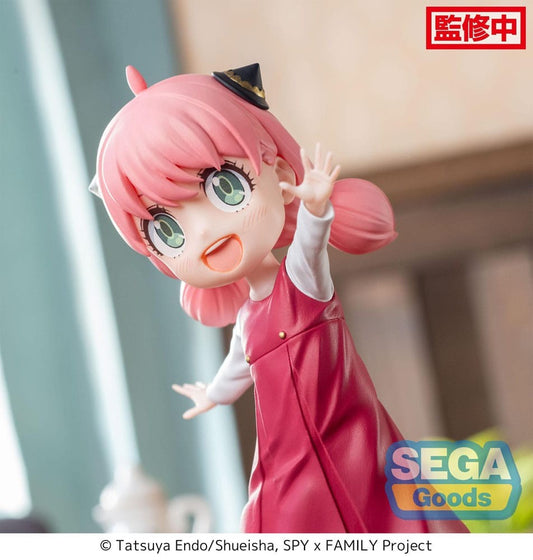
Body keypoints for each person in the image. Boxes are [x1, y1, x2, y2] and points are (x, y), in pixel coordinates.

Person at [92, 63, 467, 533]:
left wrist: (316, 207)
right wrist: (212, 393)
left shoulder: (302, 285)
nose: (203, 231)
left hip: (345, 436)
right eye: (166, 230)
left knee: (377, 516)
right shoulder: (247, 318)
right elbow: (238, 364)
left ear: (280, 171)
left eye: (225, 188)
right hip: (284, 455)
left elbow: (309, 248)